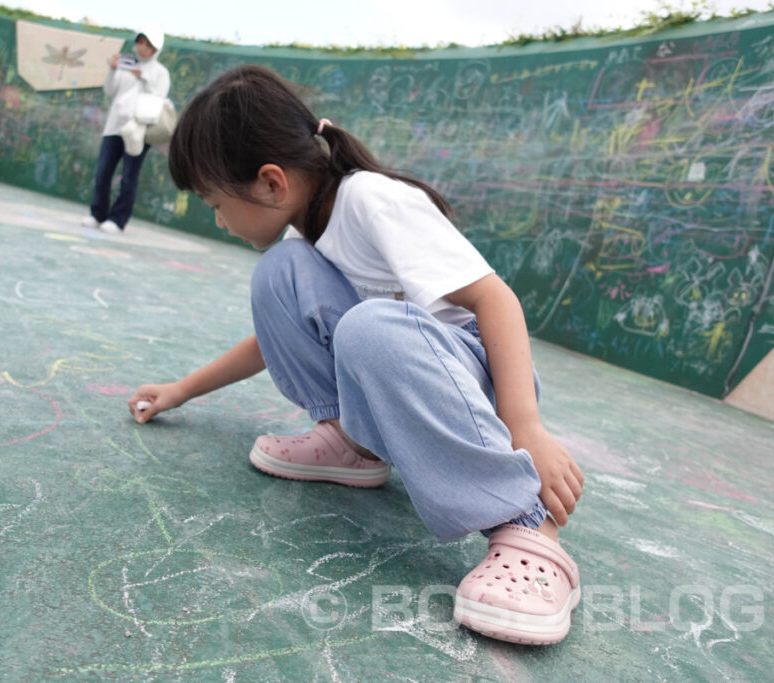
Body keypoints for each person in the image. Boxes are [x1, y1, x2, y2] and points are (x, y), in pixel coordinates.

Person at [127, 65, 586, 645]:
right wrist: (183, 389)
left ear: (271, 183)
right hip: (395, 373)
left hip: (470, 385)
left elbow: (495, 299)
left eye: (215, 202)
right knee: (278, 277)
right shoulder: (305, 237)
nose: (218, 219)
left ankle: (530, 532)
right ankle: (352, 446)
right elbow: (268, 342)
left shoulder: (372, 200)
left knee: (368, 327)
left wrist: (526, 427)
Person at [81, 25, 170, 233]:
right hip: (114, 127)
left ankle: (118, 219)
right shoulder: (126, 64)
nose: (142, 48)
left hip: (138, 131)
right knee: (103, 172)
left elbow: (159, 98)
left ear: (156, 48)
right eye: (140, 42)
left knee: (129, 176)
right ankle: (98, 214)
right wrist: (113, 69)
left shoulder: (160, 72)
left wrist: (144, 79)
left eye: (148, 44)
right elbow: (110, 90)